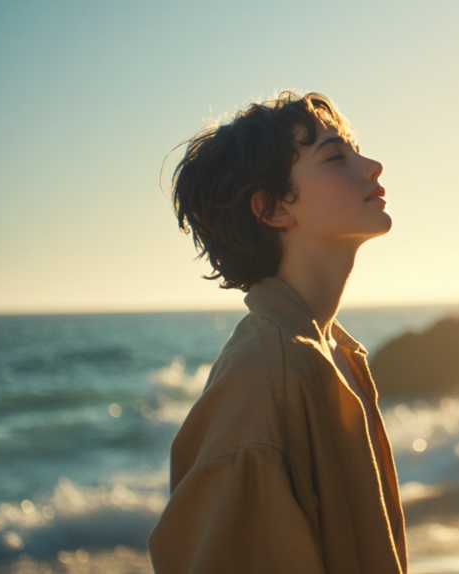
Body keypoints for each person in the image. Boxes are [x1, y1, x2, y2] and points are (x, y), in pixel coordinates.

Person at [147, 92, 407, 573]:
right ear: (271, 209)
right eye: (336, 157)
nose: (372, 166)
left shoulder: (334, 354)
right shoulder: (266, 376)